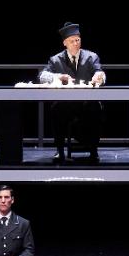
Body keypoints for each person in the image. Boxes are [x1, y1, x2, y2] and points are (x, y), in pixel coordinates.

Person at [43, 22, 106, 162]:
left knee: (96, 108)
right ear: (65, 43)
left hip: (86, 102)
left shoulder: (91, 57)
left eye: (78, 40)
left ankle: (93, 150)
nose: (76, 43)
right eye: (72, 41)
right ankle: (60, 151)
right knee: (55, 109)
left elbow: (100, 72)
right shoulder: (55, 59)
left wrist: (100, 77)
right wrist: (57, 77)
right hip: (65, 103)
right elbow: (42, 76)